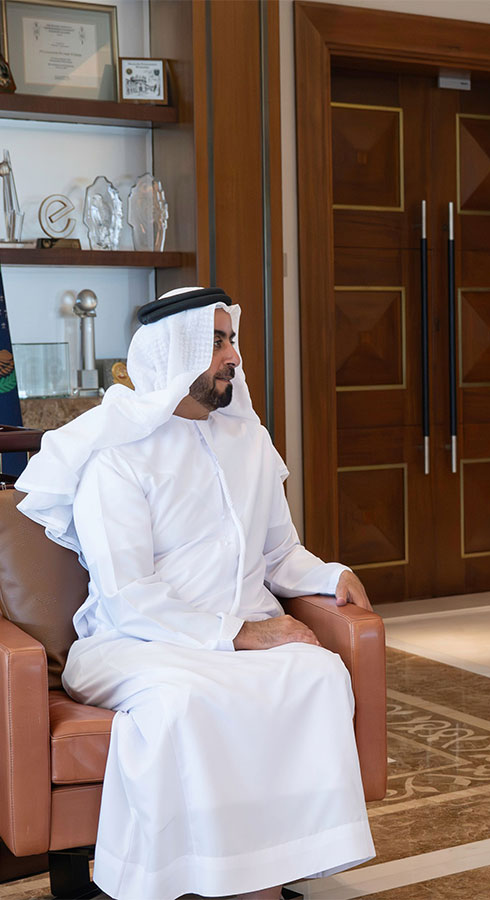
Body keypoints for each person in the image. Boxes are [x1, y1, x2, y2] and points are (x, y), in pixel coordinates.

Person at [15, 287, 377, 900]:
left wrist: (328, 575)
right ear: (172, 352)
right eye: (215, 343)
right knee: (185, 702)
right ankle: (199, 880)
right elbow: (129, 595)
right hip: (136, 642)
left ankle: (264, 875)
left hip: (242, 626)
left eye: (232, 340)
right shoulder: (116, 458)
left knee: (317, 675)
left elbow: (278, 553)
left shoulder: (249, 442)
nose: (232, 357)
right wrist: (242, 636)